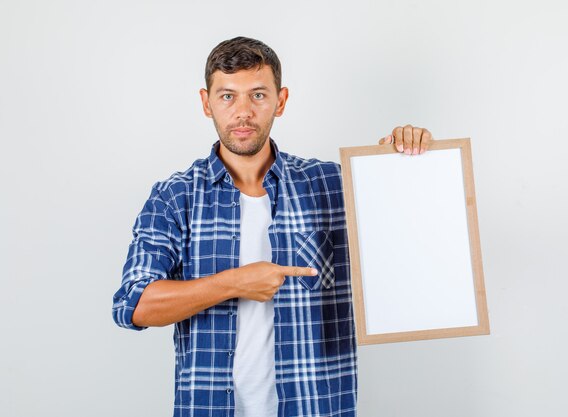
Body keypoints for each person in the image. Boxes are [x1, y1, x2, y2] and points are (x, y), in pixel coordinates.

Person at [112, 36, 432, 417]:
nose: (243, 111)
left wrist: (400, 164)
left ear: (280, 101)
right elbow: (133, 304)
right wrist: (234, 283)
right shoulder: (174, 197)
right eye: (228, 96)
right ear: (206, 102)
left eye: (258, 95)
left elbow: (410, 243)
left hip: (315, 407)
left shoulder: (333, 185)